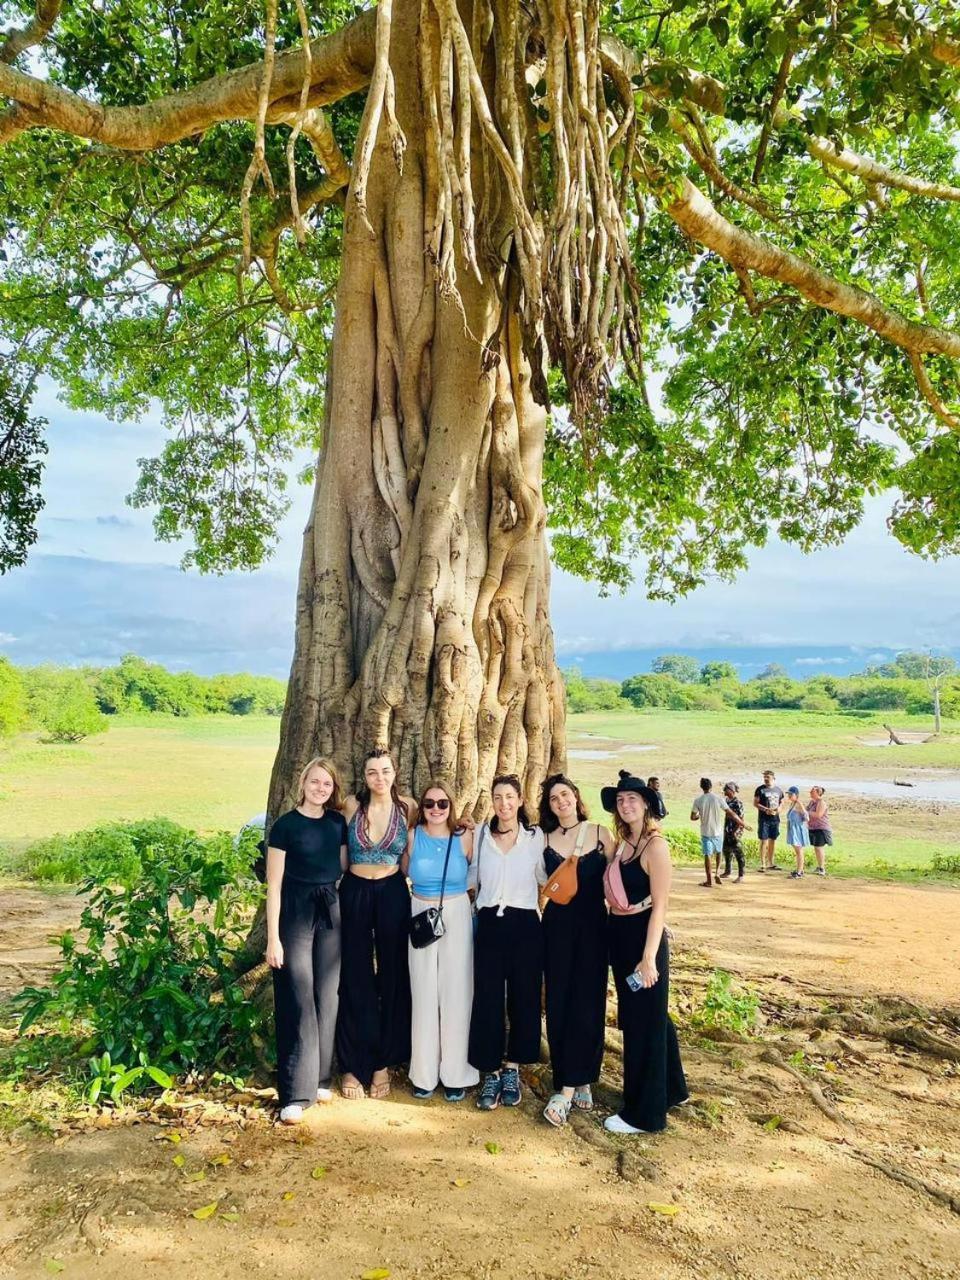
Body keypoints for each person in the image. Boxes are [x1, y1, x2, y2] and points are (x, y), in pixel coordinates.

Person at [601, 771, 688, 1134]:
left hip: (643, 938)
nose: (626, 805)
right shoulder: (624, 843)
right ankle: (672, 1089)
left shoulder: (655, 846)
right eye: (621, 801)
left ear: (646, 804)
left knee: (643, 1024)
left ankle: (644, 1114)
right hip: (619, 935)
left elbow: (660, 907)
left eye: (632, 799)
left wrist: (649, 956)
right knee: (650, 1017)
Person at [265, 758, 348, 1125]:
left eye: (326, 784)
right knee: (298, 997)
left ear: (333, 788)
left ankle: (319, 1078)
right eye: (315, 782)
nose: (320, 788)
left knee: (327, 996)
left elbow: (342, 866)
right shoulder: (285, 827)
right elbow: (274, 886)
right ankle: (295, 1093)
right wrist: (273, 939)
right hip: (294, 914)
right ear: (303, 783)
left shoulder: (336, 823)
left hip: (329, 911)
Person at [337, 747, 415, 1100]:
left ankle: (383, 1062)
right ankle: (353, 1063)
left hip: (392, 893)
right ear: (365, 776)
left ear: (394, 772)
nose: (379, 778)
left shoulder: (409, 807)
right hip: (354, 891)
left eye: (385, 771)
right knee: (355, 976)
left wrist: (462, 826)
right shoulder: (352, 806)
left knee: (392, 977)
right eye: (372, 772)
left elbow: (432, 832)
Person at [538, 774, 615, 1127]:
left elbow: (619, 881)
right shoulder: (544, 839)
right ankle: (567, 1075)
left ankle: (575, 1083)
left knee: (589, 1001)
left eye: (565, 795)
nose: (561, 802)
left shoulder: (600, 834)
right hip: (556, 927)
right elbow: (540, 885)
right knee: (558, 1002)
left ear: (576, 797)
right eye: (554, 798)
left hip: (594, 928)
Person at [467, 774, 547, 1111]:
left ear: (519, 800)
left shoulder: (535, 837)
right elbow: (472, 876)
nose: (504, 804)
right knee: (487, 997)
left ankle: (513, 1067)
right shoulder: (481, 834)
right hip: (488, 923)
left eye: (509, 797)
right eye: (498, 797)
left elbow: (547, 879)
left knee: (524, 997)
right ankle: (491, 1071)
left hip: (525, 923)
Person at [402, 781, 479, 1102]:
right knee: (423, 992)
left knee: (457, 992)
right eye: (430, 803)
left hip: (457, 911)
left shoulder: (464, 838)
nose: (436, 809)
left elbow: (476, 874)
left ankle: (455, 1073)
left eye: (443, 804)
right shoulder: (412, 836)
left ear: (451, 806)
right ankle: (423, 1073)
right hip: (421, 912)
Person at [690, 777, 743, 887]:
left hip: (706, 831)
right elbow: (731, 813)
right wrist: (742, 823)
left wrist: (700, 816)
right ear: (711, 786)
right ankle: (717, 873)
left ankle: (709, 880)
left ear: (701, 787)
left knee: (707, 855)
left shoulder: (698, 800)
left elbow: (692, 817)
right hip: (718, 831)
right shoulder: (718, 799)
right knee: (719, 852)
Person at [753, 769, 784, 872]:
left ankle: (771, 863)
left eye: (768, 777)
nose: (766, 779)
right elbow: (755, 803)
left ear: (773, 778)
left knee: (772, 840)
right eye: (764, 777)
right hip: (764, 819)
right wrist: (766, 810)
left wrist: (779, 810)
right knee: (763, 840)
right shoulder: (760, 790)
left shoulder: (778, 790)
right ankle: (763, 864)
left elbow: (782, 803)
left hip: (775, 819)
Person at [719, 782, 746, 882]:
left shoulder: (737, 803)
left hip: (735, 830)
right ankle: (728, 871)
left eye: (726, 789)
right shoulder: (726, 801)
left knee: (738, 852)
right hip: (728, 829)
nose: (724, 791)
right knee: (726, 850)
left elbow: (741, 818)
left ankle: (741, 875)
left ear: (731, 791)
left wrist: (736, 831)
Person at [806, 786, 832, 876]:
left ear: (817, 793)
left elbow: (818, 815)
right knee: (816, 847)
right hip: (813, 828)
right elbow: (806, 811)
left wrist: (806, 812)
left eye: (812, 791)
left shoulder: (821, 802)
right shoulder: (812, 802)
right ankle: (819, 867)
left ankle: (822, 868)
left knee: (819, 847)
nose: (810, 792)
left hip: (821, 828)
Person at [785, 786, 810, 878]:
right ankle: (800, 870)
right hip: (793, 829)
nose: (789, 796)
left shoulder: (798, 803)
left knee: (799, 851)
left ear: (796, 795)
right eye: (789, 794)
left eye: (791, 794)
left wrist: (802, 820)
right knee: (798, 851)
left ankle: (799, 872)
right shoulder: (792, 803)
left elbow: (806, 817)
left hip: (798, 829)